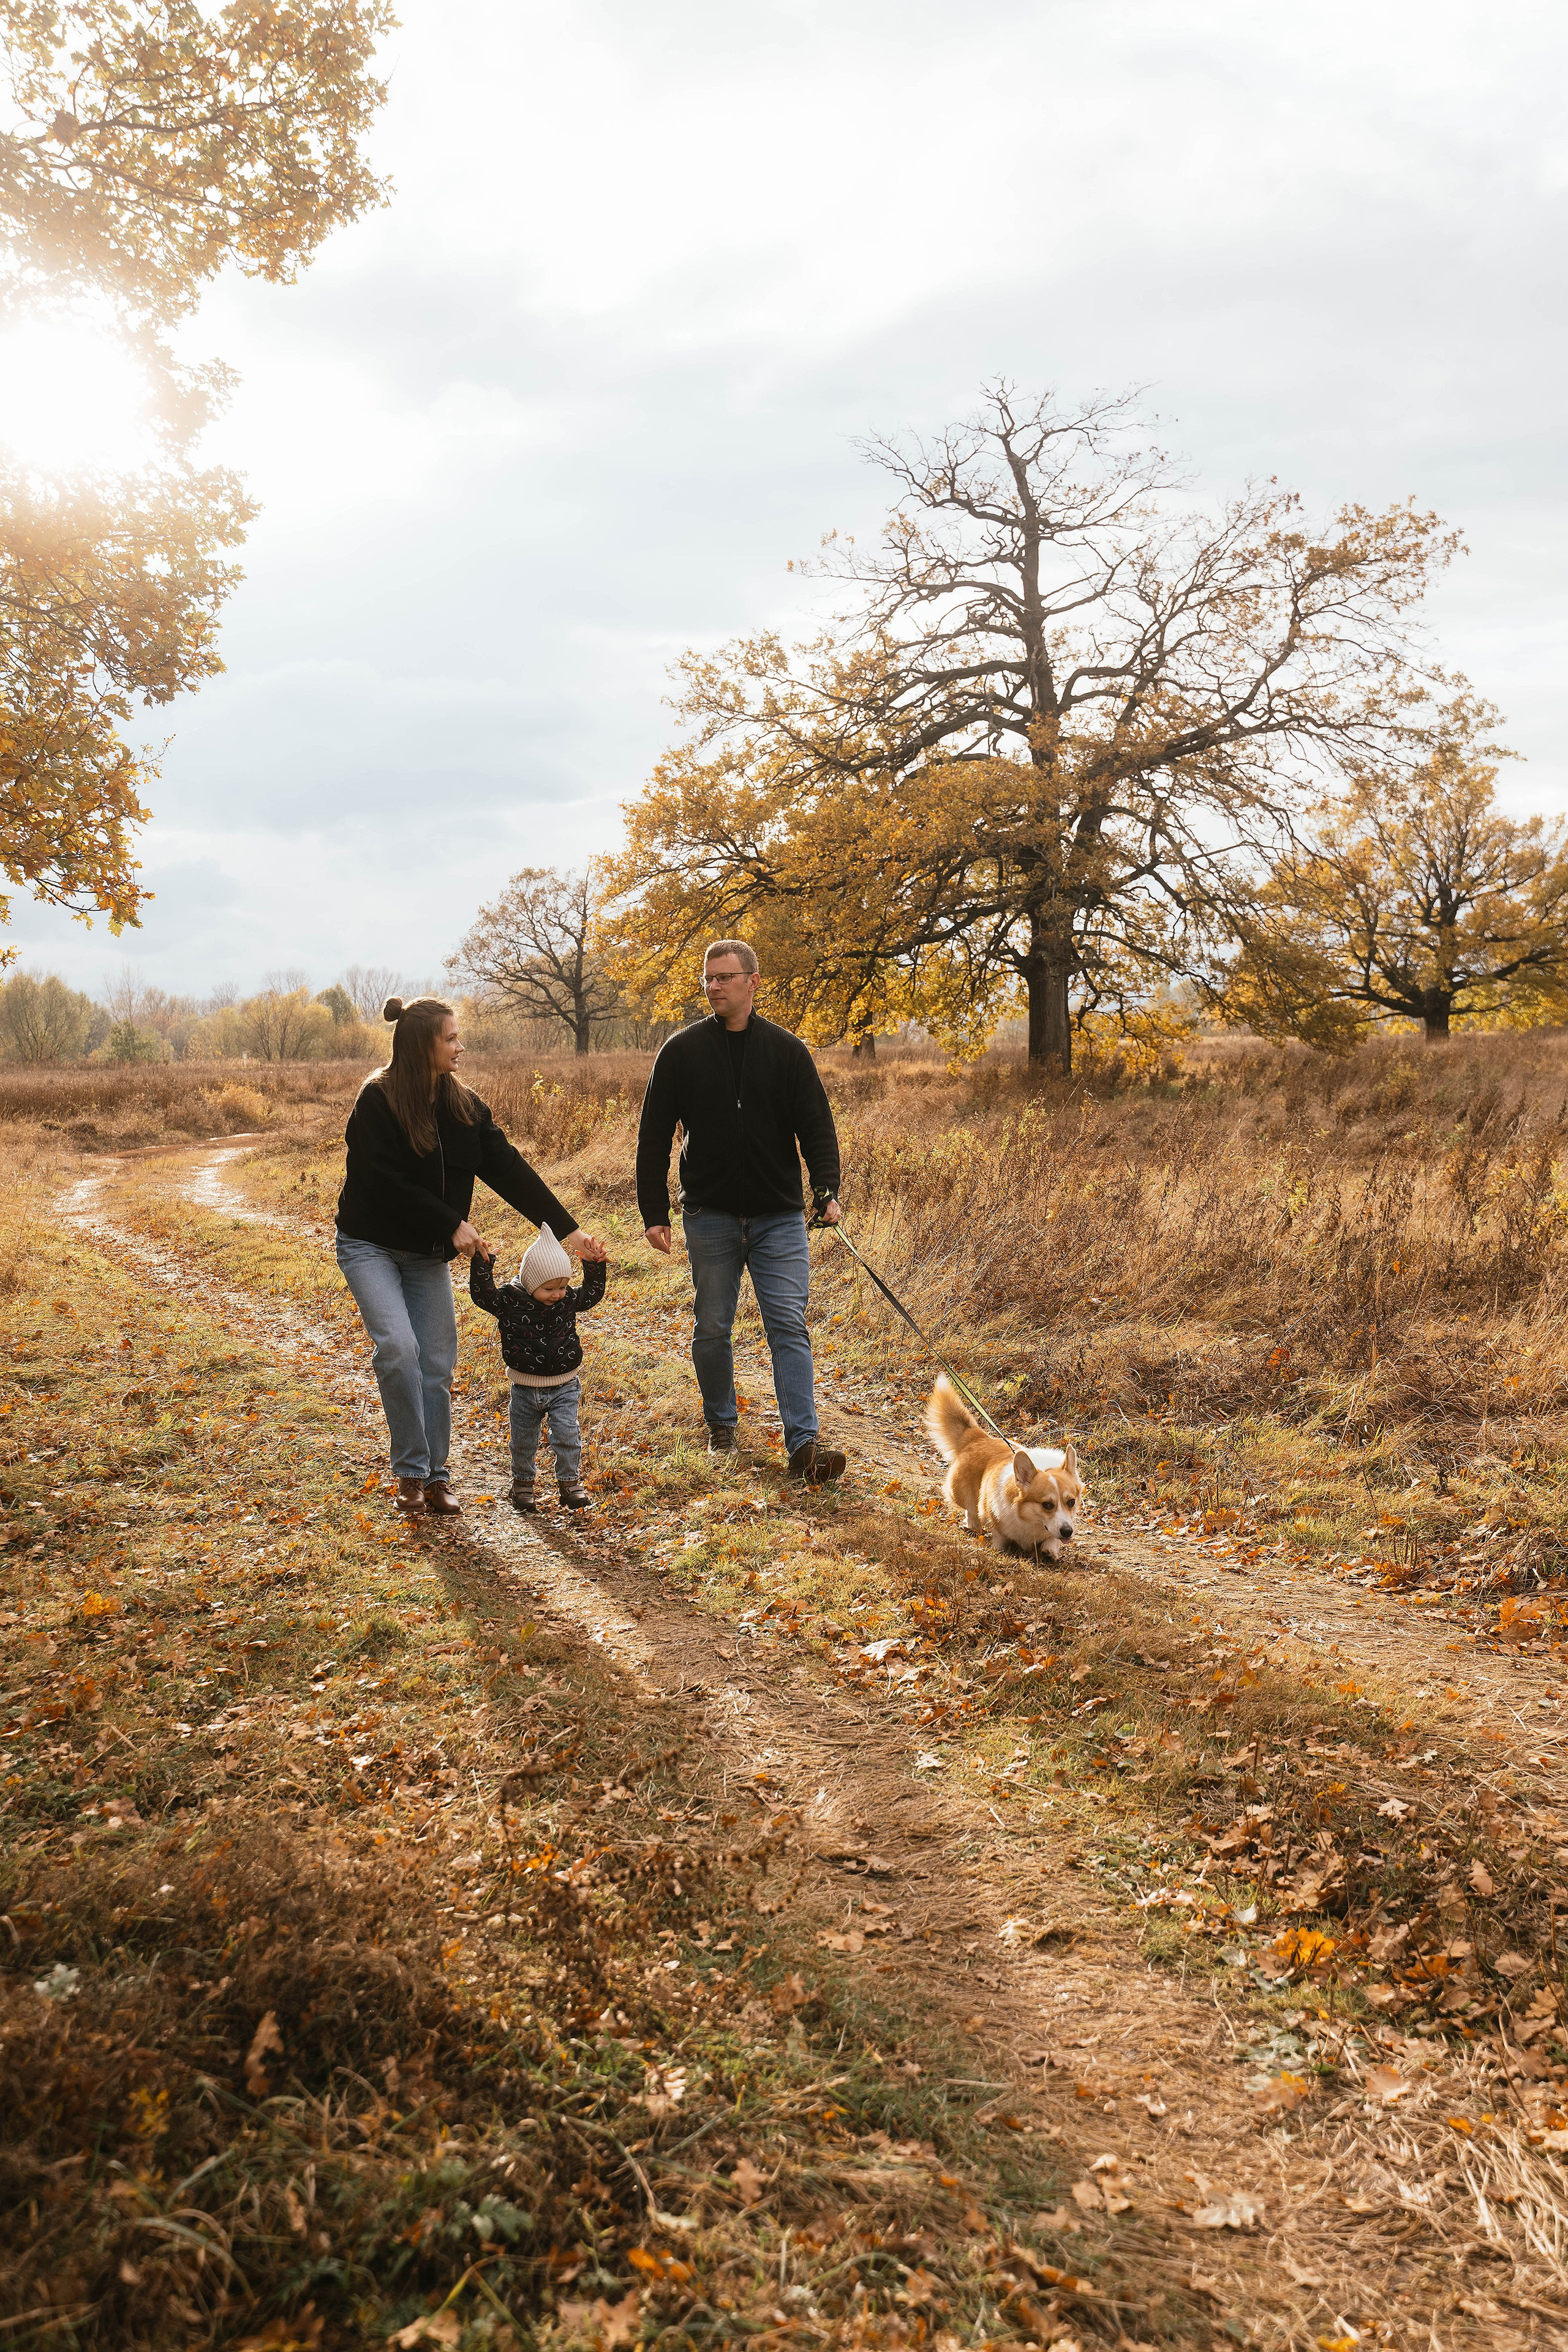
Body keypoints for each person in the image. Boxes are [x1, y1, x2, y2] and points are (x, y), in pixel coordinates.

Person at [334, 994, 605, 1517]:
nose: (462, 1046)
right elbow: (380, 1181)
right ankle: (412, 1472)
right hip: (370, 1244)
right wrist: (451, 1222)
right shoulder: (378, 1100)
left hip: (425, 1256)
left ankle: (438, 1477)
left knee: (436, 1363)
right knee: (398, 1348)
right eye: (451, 1038)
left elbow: (511, 1172)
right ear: (422, 1046)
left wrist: (570, 1233)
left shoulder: (465, 1107)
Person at [635, 938, 847, 1484]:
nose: (714, 987)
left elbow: (817, 1127)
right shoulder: (681, 1052)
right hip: (710, 1216)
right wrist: (653, 1210)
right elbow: (654, 1136)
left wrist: (826, 1190)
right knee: (712, 1327)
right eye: (708, 978)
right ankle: (722, 1425)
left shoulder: (786, 1051)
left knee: (788, 1328)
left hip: (779, 1217)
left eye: (724, 977)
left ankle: (804, 1444)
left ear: (753, 981)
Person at [470, 1228, 606, 1514]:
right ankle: (521, 1485)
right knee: (523, 1440)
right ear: (531, 1283)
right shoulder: (509, 1301)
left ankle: (569, 1484)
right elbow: (484, 1296)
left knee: (568, 1436)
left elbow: (592, 1295)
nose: (557, 1294)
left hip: (565, 1386)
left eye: (562, 1286)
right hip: (524, 1388)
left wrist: (594, 1266)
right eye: (549, 1288)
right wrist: (483, 1265)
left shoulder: (567, 1299)